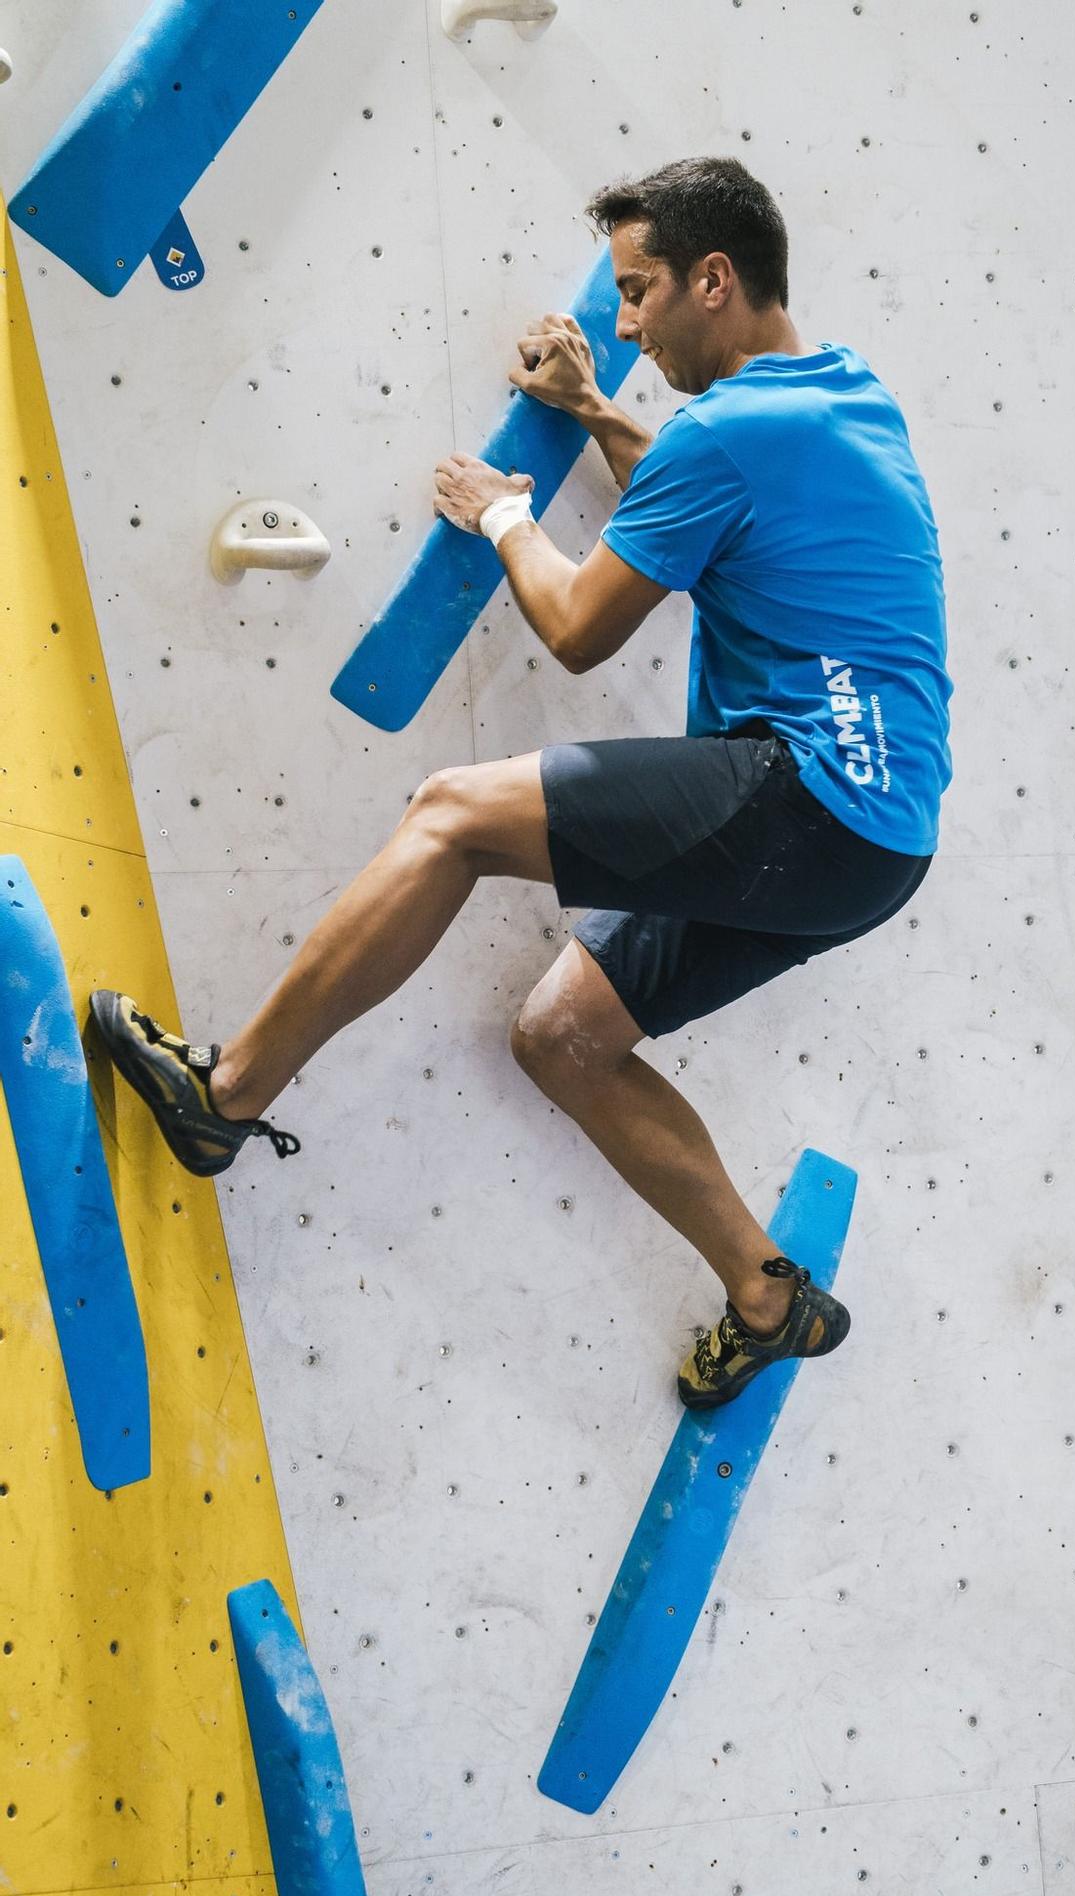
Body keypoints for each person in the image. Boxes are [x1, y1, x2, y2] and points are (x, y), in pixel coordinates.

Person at [92, 156, 951, 1411]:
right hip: (876, 843)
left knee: (449, 815)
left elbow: (581, 625)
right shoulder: (838, 397)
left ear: (715, 279)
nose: (627, 321)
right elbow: (707, 486)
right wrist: (599, 408)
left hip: (808, 797)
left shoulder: (733, 431)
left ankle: (224, 1097)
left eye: (641, 290)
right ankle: (769, 1298)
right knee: (565, 1037)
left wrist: (502, 514)